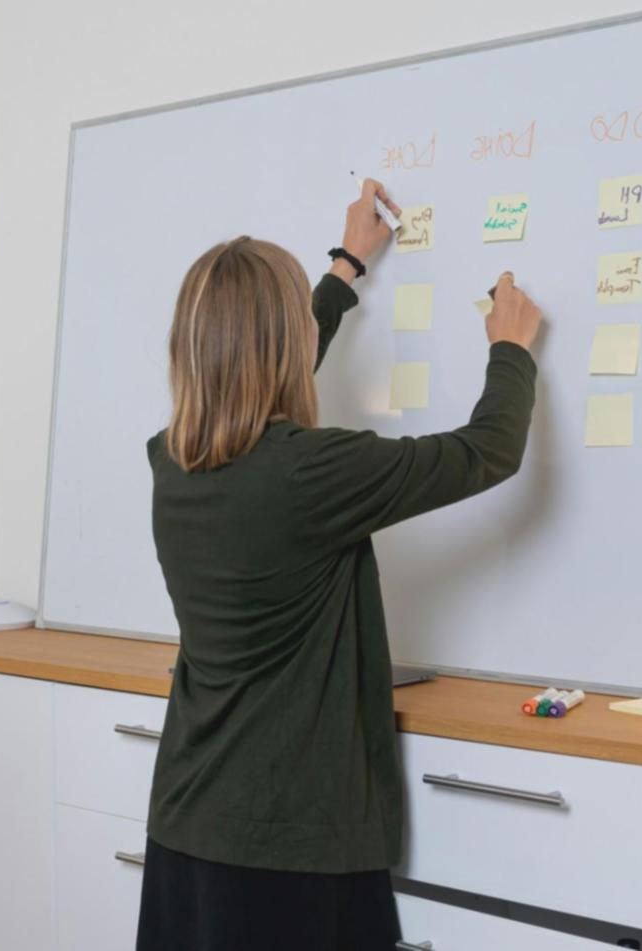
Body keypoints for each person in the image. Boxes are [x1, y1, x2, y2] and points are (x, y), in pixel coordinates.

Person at [136, 180, 543, 950]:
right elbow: (487, 451)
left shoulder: (173, 458)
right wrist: (510, 350)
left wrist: (346, 265)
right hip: (288, 845)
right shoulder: (311, 472)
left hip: (187, 821)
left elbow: (257, 368)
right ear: (287, 342)